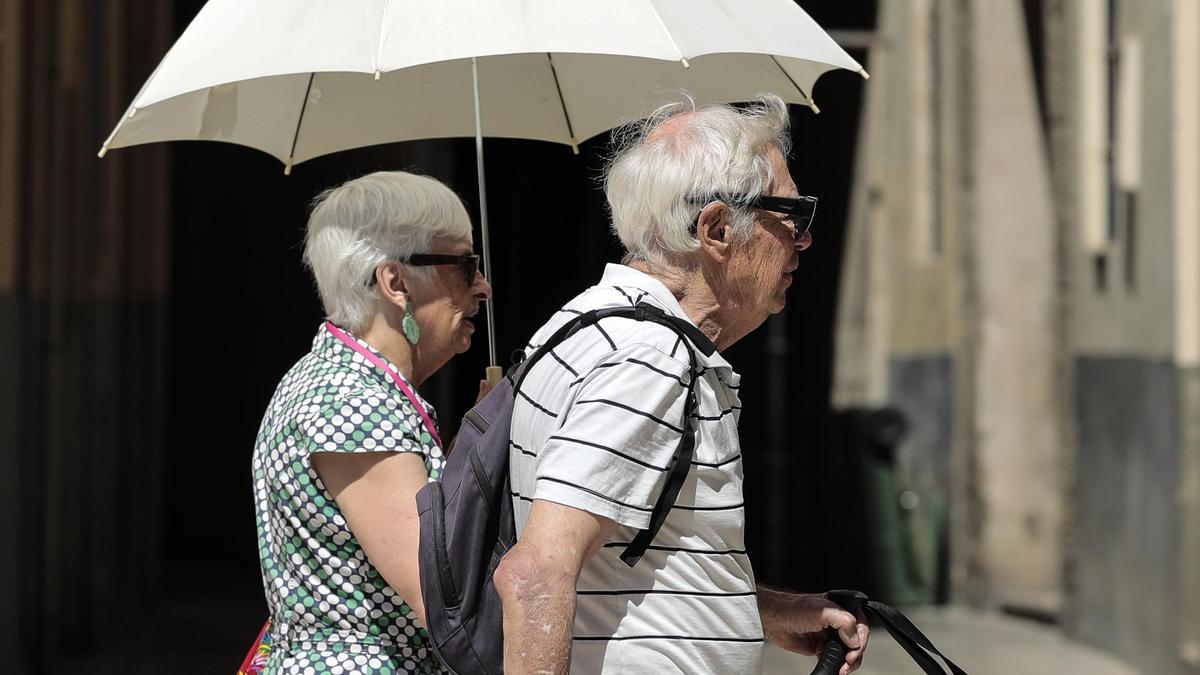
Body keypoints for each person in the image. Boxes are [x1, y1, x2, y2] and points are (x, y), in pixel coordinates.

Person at [494, 95, 870, 674]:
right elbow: (535, 573)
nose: (804, 239)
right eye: (790, 216)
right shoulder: (647, 358)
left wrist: (763, 610)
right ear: (716, 228)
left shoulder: (589, 327)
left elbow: (627, 563)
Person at [251, 171, 492, 674]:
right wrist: (488, 441)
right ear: (396, 282)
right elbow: (441, 593)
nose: (483, 287)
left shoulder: (347, 384)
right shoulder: (349, 399)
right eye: (465, 266)